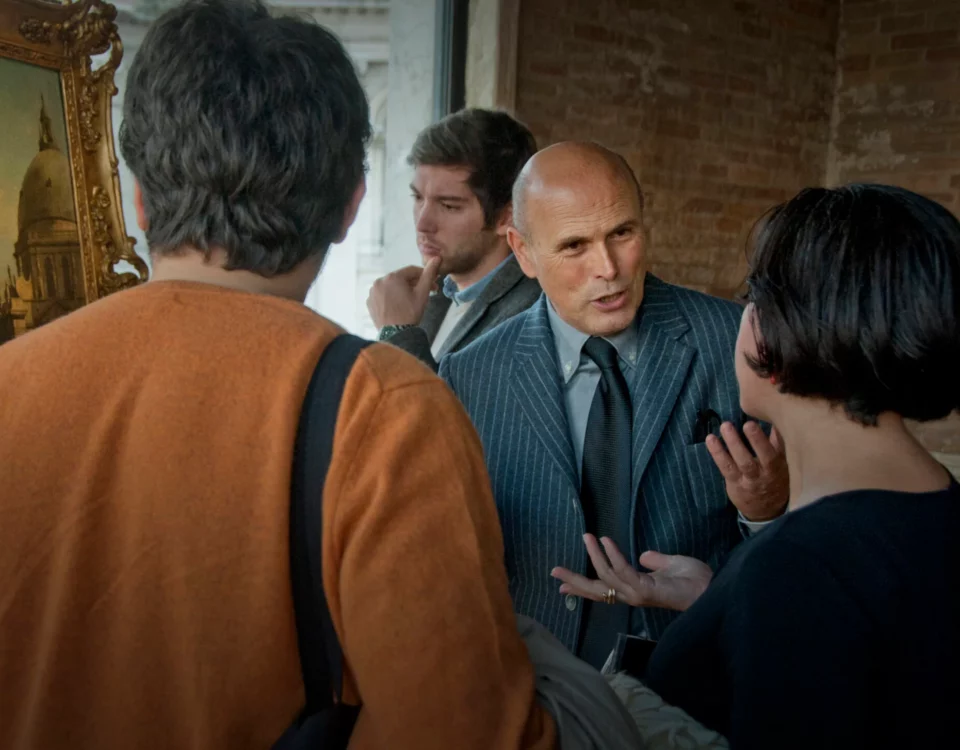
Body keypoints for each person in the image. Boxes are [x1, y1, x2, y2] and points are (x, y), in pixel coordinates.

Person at [0, 2, 560, 747]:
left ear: (138, 197)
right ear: (350, 207)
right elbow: (463, 733)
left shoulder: (10, 381)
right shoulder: (385, 409)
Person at [562, 184, 960, 749]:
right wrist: (720, 601)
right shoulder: (931, 506)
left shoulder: (798, 568)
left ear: (778, 337)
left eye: (754, 296)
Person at [440, 141, 789, 669]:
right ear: (523, 252)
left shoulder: (736, 341)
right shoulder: (470, 376)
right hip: (536, 678)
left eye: (622, 233)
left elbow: (811, 547)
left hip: (698, 673)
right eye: (574, 246)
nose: (607, 267)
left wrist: (765, 513)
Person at [367, 108, 541, 371]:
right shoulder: (434, 294)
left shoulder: (531, 317)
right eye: (418, 198)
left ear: (507, 217)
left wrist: (398, 332)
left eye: (448, 206)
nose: (422, 224)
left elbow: (438, 400)